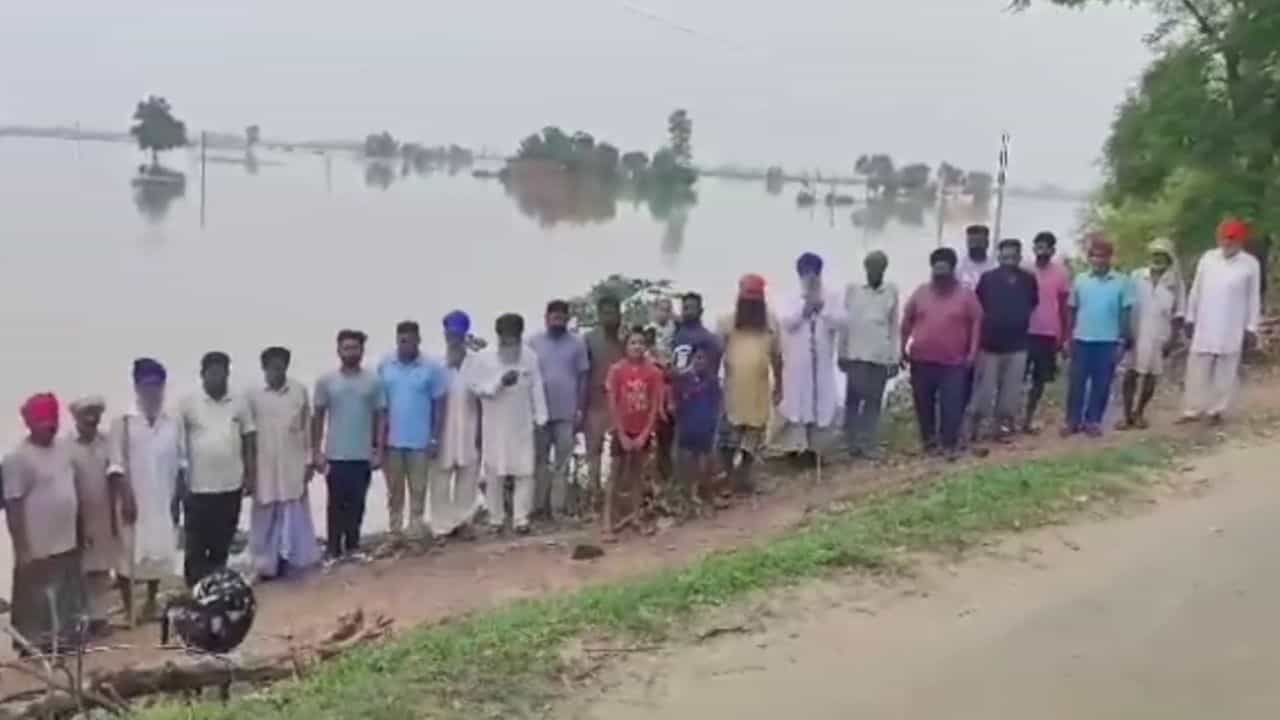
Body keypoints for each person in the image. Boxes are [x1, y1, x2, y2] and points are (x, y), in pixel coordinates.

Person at [3, 393, 85, 653]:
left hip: (66, 539)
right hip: (37, 545)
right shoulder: (17, 459)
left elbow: (73, 488)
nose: (50, 428)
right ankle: (31, 646)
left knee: (65, 596)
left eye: (53, 422)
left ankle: (64, 640)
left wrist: (81, 531)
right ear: (30, 424)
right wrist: (22, 548)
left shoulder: (64, 449)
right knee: (34, 600)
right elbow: (13, 506)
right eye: (44, 423)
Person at [109, 358, 185, 623]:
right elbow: (115, 464)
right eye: (147, 386)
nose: (153, 392)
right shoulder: (124, 421)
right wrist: (125, 496)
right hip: (133, 497)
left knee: (159, 552)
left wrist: (177, 498)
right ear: (137, 387)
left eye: (157, 386)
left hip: (162, 495)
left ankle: (151, 602)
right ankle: (129, 608)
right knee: (127, 554)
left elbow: (180, 462)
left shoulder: (171, 421)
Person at [179, 351, 256, 588]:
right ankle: (196, 590)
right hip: (198, 488)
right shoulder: (188, 402)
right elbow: (180, 448)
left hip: (230, 485)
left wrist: (251, 475)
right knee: (196, 545)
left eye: (222, 372)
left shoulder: (239, 401)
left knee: (222, 542)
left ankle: (216, 589)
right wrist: (180, 485)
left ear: (227, 373)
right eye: (212, 373)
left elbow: (249, 437)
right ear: (203, 375)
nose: (217, 377)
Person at [901, 248, 983, 460]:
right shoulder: (921, 293)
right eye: (936, 272)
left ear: (952, 271)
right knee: (923, 405)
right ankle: (929, 444)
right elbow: (906, 321)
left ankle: (949, 445)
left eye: (944, 273)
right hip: (921, 361)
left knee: (952, 406)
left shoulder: (966, 295)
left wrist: (973, 353)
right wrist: (901, 348)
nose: (940, 277)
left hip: (954, 363)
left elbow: (976, 323)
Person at [312, 330, 386, 563]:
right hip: (335, 454)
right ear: (338, 351)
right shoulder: (326, 381)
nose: (351, 352)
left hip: (362, 454)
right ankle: (333, 549)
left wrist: (379, 450)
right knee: (335, 504)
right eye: (346, 348)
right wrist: (316, 451)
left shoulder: (373, 381)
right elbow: (318, 417)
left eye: (355, 348)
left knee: (357, 503)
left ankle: (353, 547)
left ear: (362, 351)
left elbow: (381, 417)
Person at [470, 313, 548, 534]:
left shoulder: (530, 357)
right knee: (494, 471)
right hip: (494, 424)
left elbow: (537, 387)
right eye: (505, 339)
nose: (509, 343)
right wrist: (499, 383)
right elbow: (476, 388)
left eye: (513, 339)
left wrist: (541, 417)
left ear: (520, 336)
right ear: (498, 336)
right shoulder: (484, 358)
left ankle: (521, 519)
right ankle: (496, 519)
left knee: (525, 471)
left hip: (522, 422)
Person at [247, 346, 320, 581]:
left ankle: (297, 560)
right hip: (264, 463)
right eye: (271, 367)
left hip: (293, 460)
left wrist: (309, 460)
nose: (276, 371)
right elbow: (246, 434)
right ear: (264, 368)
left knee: (295, 513)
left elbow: (306, 428)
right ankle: (265, 565)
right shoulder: (253, 395)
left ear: (286, 367)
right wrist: (247, 470)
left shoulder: (298, 391)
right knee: (264, 515)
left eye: (280, 367)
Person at [1180, 219, 1262, 425]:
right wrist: (1190, 317)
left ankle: (1216, 410)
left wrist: (1251, 328)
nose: (1227, 242)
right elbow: (1196, 289)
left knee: (1226, 369)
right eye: (1224, 238)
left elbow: (1253, 297)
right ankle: (1192, 410)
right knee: (1197, 366)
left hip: (1232, 324)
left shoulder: (1250, 264)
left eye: (1232, 239)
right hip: (1205, 321)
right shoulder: (1208, 258)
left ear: (1241, 241)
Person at [377, 321, 447, 538]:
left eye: (410, 340)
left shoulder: (431, 367)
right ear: (397, 340)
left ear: (419, 340)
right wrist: (377, 442)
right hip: (392, 442)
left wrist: (435, 438)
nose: (406, 345)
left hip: (420, 441)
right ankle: (395, 531)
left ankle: (416, 531)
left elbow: (439, 405)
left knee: (418, 490)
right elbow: (380, 406)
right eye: (402, 340)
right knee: (394, 492)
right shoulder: (386, 365)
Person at [717, 274, 783, 494]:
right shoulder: (726, 323)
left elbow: (777, 357)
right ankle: (727, 477)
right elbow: (715, 355)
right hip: (732, 390)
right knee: (729, 439)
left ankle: (743, 476)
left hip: (758, 389)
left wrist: (780, 385)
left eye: (754, 301)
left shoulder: (771, 322)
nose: (750, 305)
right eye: (747, 300)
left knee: (753, 437)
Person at [777, 252, 846, 459]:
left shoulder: (831, 295)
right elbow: (786, 321)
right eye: (806, 273)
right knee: (797, 403)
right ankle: (796, 448)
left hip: (822, 360)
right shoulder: (789, 295)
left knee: (821, 402)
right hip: (797, 361)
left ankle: (817, 450)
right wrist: (805, 309)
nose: (810, 277)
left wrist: (822, 308)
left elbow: (841, 322)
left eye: (814, 273)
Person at [1063, 237, 1134, 437]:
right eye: (1094, 256)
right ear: (1089, 258)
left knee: (1101, 384)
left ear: (1110, 258)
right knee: (1076, 383)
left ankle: (1093, 421)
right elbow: (1071, 309)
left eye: (1103, 257)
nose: (1098, 260)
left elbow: (1125, 312)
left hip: (1108, 341)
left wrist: (1122, 340)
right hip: (1082, 339)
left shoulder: (1122, 282)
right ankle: (1072, 421)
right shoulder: (1081, 279)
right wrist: (1068, 338)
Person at [971, 239, 1039, 442]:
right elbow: (979, 306)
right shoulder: (987, 279)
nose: (1009, 260)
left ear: (1019, 257)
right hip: (989, 346)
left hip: (1018, 345)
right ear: (999, 257)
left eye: (1013, 256)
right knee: (984, 392)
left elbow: (1033, 304)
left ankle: (1002, 428)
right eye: (1005, 256)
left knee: (1010, 393)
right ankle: (976, 429)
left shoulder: (1028, 279)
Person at [603, 326, 665, 537]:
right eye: (632, 343)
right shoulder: (616, 371)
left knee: (638, 475)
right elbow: (612, 404)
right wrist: (621, 434)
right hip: (622, 430)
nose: (637, 346)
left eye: (640, 343)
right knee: (616, 475)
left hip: (642, 431)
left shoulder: (654, 372)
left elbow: (655, 405)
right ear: (625, 347)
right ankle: (607, 522)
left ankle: (637, 516)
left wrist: (644, 434)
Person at [529, 299, 588, 520]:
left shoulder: (577, 343)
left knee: (562, 463)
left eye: (562, 317)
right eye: (553, 316)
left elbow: (583, 377)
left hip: (567, 412)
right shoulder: (533, 343)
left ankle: (558, 509)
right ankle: (538, 509)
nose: (557, 320)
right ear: (546, 318)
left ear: (567, 319)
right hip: (541, 413)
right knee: (540, 461)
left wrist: (580, 408)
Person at [839, 251, 899, 459]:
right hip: (856, 355)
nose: (874, 271)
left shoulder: (890, 292)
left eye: (878, 267)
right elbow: (844, 325)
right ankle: (850, 444)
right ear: (865, 268)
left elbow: (893, 328)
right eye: (870, 267)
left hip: (879, 357)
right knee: (853, 401)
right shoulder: (853, 291)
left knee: (874, 402)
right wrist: (841, 352)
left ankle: (868, 444)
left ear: (884, 269)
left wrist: (894, 358)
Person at [1119, 238, 1185, 429]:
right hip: (1136, 332)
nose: (1157, 259)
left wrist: (1172, 340)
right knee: (1130, 374)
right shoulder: (1137, 276)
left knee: (1151, 376)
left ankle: (1139, 413)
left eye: (1162, 255)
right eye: (1155, 255)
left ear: (1169, 259)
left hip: (1160, 334)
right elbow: (1127, 305)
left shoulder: (1175, 283)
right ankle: (1126, 416)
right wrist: (1126, 332)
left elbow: (1179, 314)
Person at [67, 395, 118, 636]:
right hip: (76, 512)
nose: (92, 418)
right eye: (87, 413)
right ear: (76, 417)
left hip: (104, 510)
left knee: (102, 567)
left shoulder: (107, 441)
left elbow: (116, 472)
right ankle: (80, 621)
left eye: (96, 412)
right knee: (79, 570)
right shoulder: (65, 446)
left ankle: (100, 619)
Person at [434, 311, 483, 539]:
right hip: (442, 432)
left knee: (468, 477)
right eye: (449, 333)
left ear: (464, 335)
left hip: (470, 429)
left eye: (457, 333)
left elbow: (484, 400)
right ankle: (442, 527)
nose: (452, 338)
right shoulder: (437, 366)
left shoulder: (477, 364)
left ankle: (464, 522)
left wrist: (482, 432)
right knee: (440, 480)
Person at [1022, 231, 1073, 433]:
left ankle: (1028, 418)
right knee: (1018, 379)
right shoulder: (1024, 269)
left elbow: (1064, 306)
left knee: (1040, 380)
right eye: (1038, 246)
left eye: (1046, 247)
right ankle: (1011, 419)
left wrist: (1065, 336)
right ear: (1033, 248)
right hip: (1024, 332)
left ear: (1053, 250)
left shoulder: (1061, 273)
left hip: (1049, 333)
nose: (1041, 250)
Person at [583, 295, 626, 507]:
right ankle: (594, 495)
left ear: (620, 314)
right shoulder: (589, 340)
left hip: (620, 405)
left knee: (620, 451)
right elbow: (582, 374)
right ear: (599, 315)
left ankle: (617, 495)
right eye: (606, 313)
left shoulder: (625, 340)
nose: (611, 317)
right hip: (595, 404)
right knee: (594, 452)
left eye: (614, 312)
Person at [673, 343, 722, 510]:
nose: (701, 361)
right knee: (689, 463)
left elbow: (717, 405)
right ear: (692, 359)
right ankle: (690, 495)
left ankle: (707, 493)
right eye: (698, 357)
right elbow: (677, 404)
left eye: (704, 358)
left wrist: (715, 426)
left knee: (706, 462)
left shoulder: (712, 381)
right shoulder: (683, 379)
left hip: (706, 427)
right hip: (688, 427)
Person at [671, 292, 721, 376]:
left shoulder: (708, 338)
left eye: (692, 308)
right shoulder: (676, 333)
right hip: (677, 385)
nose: (688, 312)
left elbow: (712, 372)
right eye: (685, 308)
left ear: (700, 311)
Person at [957, 224, 996, 290]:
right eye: (972, 242)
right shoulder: (958, 266)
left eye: (979, 242)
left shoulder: (994, 266)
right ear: (967, 243)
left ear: (987, 243)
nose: (976, 245)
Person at [647, 296, 677, 363]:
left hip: (670, 361)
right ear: (656, 310)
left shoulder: (674, 327)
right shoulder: (651, 328)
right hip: (655, 362)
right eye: (662, 310)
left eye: (667, 310)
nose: (664, 314)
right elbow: (651, 348)